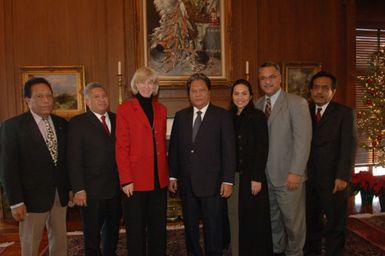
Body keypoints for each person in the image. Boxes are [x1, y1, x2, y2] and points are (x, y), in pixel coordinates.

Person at [168, 73, 236, 256]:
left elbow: (229, 151)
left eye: (202, 90)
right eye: (193, 91)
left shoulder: (222, 116)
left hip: (213, 184)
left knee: (213, 228)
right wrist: (172, 176)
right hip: (187, 183)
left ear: (209, 92)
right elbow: (174, 148)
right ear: (188, 94)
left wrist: (228, 181)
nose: (198, 94)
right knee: (190, 227)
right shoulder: (181, 116)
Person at [0, 77, 70, 256]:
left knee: (60, 241)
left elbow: (65, 161)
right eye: (39, 96)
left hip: (59, 195)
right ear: (27, 100)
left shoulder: (62, 124)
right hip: (30, 199)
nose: (46, 100)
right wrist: (16, 202)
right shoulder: (12, 127)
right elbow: (8, 168)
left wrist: (70, 188)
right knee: (30, 244)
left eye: (49, 95)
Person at [255, 62, 312, 256]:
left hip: (289, 177)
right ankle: (277, 250)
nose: (267, 81)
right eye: (263, 78)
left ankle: (295, 253)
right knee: (272, 221)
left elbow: (303, 141)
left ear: (280, 78)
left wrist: (296, 172)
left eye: (271, 77)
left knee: (293, 223)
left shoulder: (297, 103)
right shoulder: (256, 105)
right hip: (265, 177)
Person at [115, 66, 169, 256]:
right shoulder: (125, 109)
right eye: (142, 82)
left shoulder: (161, 109)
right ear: (135, 85)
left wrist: (168, 176)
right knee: (136, 229)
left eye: (151, 82)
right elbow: (121, 147)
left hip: (159, 179)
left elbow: (161, 144)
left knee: (158, 228)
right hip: (135, 180)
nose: (146, 86)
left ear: (155, 86)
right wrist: (125, 179)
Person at [304, 71, 356, 256]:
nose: (319, 92)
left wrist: (343, 176)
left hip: (334, 180)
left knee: (335, 224)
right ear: (310, 90)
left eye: (324, 88)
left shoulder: (344, 113)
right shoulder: (304, 110)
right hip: (308, 179)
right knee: (311, 222)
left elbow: (349, 147)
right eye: (315, 87)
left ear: (333, 91)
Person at [67, 82, 122, 255]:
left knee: (113, 232)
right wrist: (78, 189)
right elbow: (73, 159)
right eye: (96, 97)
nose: (102, 100)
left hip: (116, 188)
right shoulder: (78, 123)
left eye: (104, 96)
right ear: (87, 102)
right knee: (92, 236)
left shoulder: (118, 118)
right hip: (91, 191)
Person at [228, 79, 273, 256]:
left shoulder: (258, 117)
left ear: (251, 96)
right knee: (234, 217)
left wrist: (257, 178)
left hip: (252, 178)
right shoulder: (228, 117)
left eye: (244, 93)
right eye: (236, 93)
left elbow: (262, 149)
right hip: (233, 176)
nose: (240, 97)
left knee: (253, 220)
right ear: (232, 96)